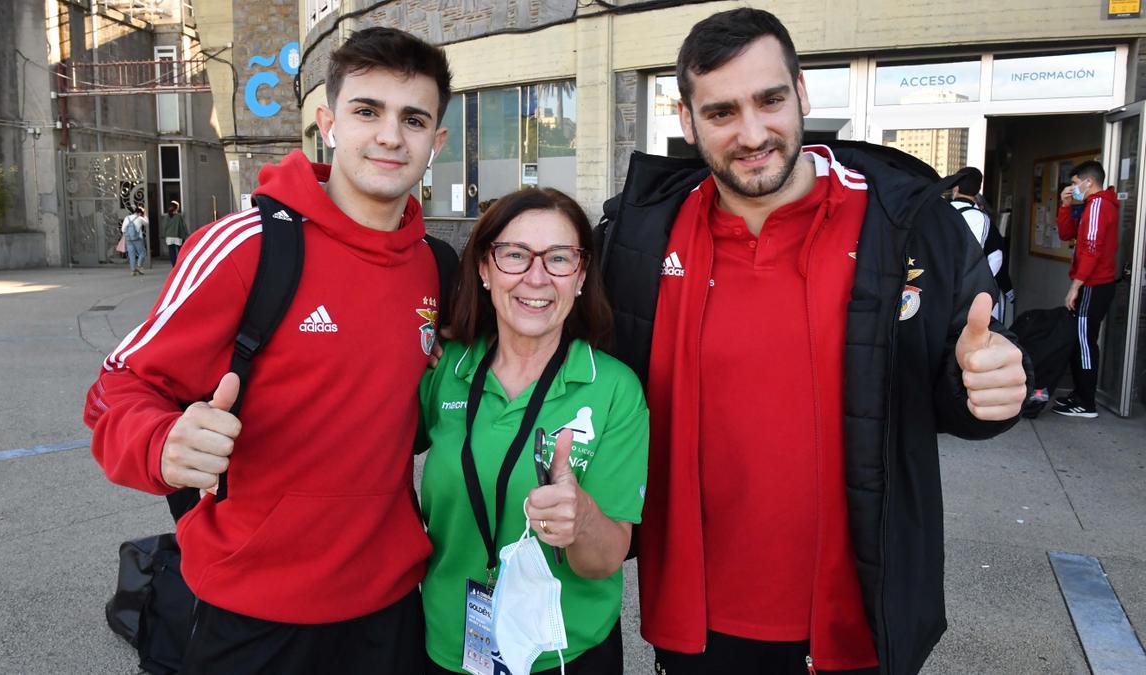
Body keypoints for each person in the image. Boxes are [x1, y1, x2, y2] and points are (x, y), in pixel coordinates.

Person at [597, 9, 1030, 675]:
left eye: (770, 99)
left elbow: (955, 381)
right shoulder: (639, 234)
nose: (752, 132)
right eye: (720, 112)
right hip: (694, 621)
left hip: (855, 621)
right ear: (687, 122)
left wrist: (982, 391)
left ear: (802, 94)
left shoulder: (910, 224)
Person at [83, 27, 453, 672]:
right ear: (328, 122)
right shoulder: (247, 245)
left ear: (436, 141)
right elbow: (120, 386)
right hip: (252, 608)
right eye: (367, 111)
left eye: (413, 118)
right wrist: (159, 441)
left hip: (390, 606)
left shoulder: (435, 268)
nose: (391, 136)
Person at [418, 187, 648, 675]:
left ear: (581, 276)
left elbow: (605, 560)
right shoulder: (445, 369)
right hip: (448, 641)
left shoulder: (613, 389)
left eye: (559, 258)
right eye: (515, 254)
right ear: (484, 268)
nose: (537, 277)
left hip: (566, 654)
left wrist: (581, 520)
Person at [1053, 160, 1119, 418]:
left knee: (1084, 342)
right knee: (1080, 339)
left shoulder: (1100, 205)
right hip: (1093, 283)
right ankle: (1079, 394)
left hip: (1094, 285)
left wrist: (1075, 287)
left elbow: (1092, 248)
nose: (1073, 187)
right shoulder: (1093, 205)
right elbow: (1065, 233)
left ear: (1088, 181)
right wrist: (1065, 206)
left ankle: (1086, 401)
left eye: (1074, 182)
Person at [949, 167, 1014, 323]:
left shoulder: (939, 213)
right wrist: (980, 284)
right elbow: (996, 257)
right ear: (978, 189)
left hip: (943, 287)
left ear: (956, 187)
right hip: (973, 292)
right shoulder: (983, 219)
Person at [161, 200, 189, 266]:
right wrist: (186, 235)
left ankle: (174, 265)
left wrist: (163, 235)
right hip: (177, 236)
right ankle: (180, 264)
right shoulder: (179, 216)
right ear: (177, 208)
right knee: (180, 251)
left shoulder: (166, 216)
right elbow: (183, 227)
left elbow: (164, 226)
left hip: (169, 236)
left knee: (171, 252)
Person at [121, 206, 148, 276]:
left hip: (128, 239)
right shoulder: (140, 218)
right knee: (142, 253)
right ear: (140, 213)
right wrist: (145, 216)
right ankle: (139, 266)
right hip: (138, 238)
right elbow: (147, 223)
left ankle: (133, 271)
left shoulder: (127, 218)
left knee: (131, 255)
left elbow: (123, 229)